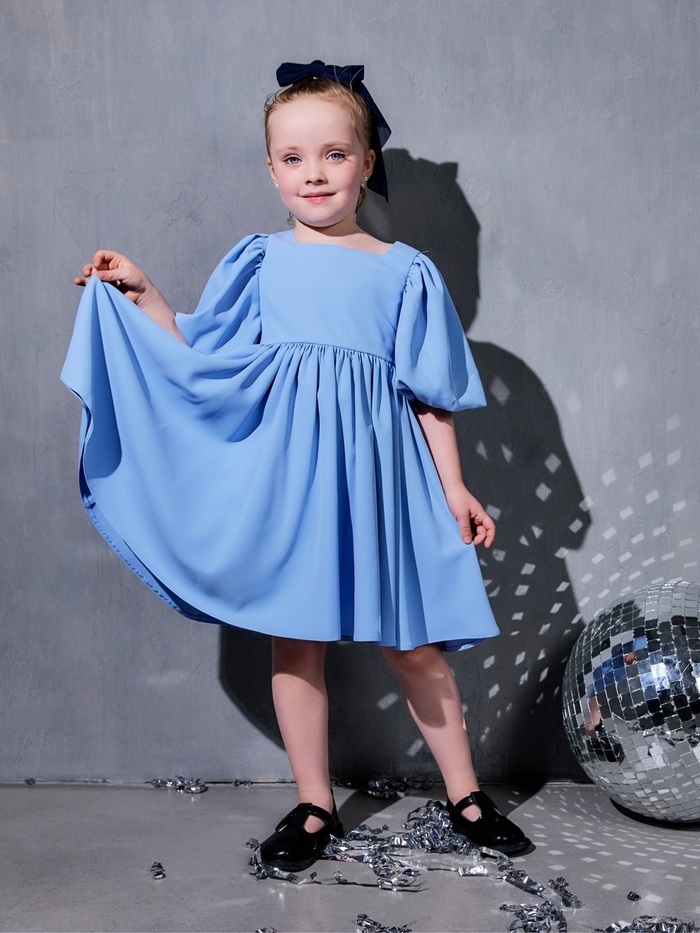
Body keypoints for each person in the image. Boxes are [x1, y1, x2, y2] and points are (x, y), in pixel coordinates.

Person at [64, 60, 530, 871]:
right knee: (297, 642)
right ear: (272, 170)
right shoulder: (261, 261)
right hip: (296, 483)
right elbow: (204, 355)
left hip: (383, 481)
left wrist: (453, 486)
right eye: (293, 158)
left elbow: (430, 395)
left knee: (414, 643)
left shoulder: (404, 271)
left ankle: (466, 796)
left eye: (333, 154)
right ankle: (316, 804)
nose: (313, 173)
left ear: (365, 163)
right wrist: (144, 295)